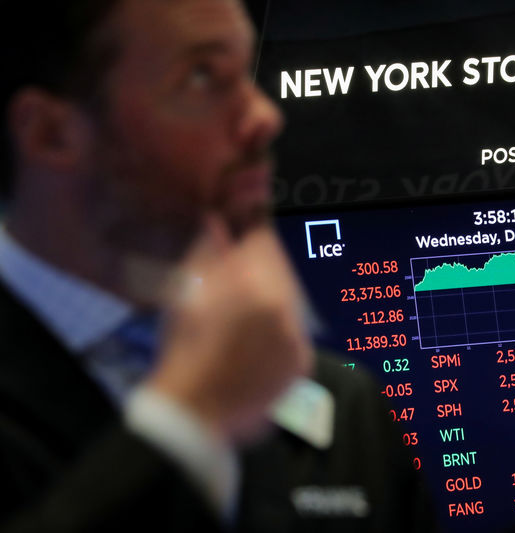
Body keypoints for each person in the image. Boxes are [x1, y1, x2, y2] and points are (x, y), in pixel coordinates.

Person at [0, 0, 434, 531]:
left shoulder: (345, 412)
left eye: (245, 72)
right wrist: (186, 427)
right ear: (52, 133)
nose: (263, 117)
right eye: (203, 76)